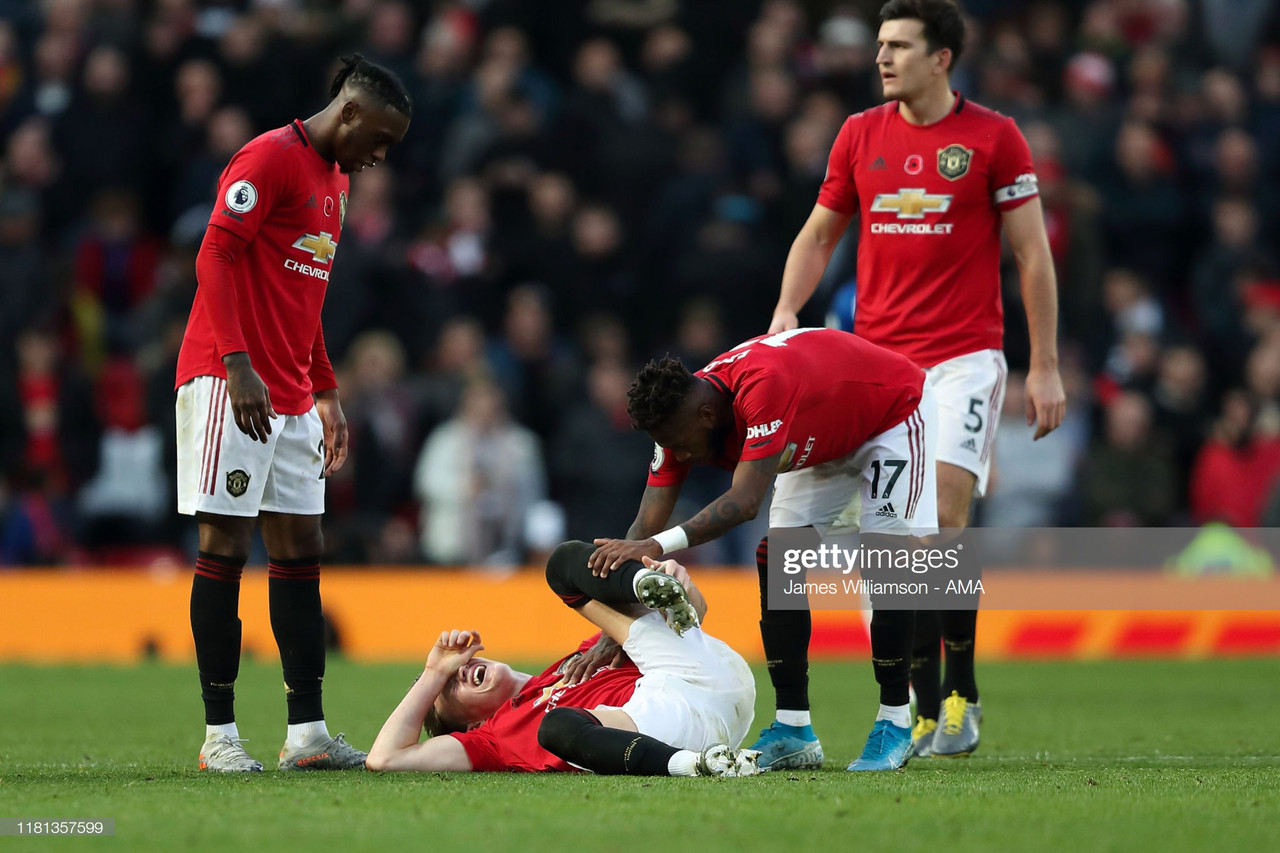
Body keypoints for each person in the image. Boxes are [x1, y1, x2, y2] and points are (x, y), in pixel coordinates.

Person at [766, 0, 1066, 760]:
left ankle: (959, 688)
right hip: (879, 366)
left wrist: (1048, 364)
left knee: (942, 523)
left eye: (898, 45)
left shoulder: (994, 139)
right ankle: (922, 705)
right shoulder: (859, 134)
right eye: (879, 45)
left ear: (942, 58)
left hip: (965, 357)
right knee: (892, 543)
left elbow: (1032, 255)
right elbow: (819, 231)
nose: (881, 57)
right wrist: (787, 309)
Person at [174, 55, 412, 772]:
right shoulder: (270, 157)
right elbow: (214, 257)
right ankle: (220, 736)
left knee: (301, 550)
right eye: (380, 139)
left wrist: (326, 387)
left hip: (292, 393)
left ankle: (306, 733)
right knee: (223, 547)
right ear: (349, 112)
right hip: (228, 381)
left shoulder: (335, 186)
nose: (379, 157)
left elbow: (302, 298)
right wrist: (238, 364)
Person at [589, 327, 939, 771]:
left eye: (680, 443)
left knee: (884, 560)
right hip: (823, 436)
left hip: (891, 414)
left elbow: (744, 503)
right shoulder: (678, 413)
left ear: (706, 416)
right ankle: (795, 730)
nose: (678, 454)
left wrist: (655, 544)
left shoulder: (761, 388)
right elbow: (644, 526)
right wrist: (612, 627)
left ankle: (896, 721)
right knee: (777, 560)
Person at [365, 541, 761, 777]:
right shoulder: (492, 739)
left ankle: (650, 585)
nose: (461, 671)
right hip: (670, 729)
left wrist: (675, 589)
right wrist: (435, 671)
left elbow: (697, 618)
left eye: (457, 670)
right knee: (557, 728)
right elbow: (385, 759)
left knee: (563, 564)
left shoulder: (579, 658)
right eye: (451, 686)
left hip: (709, 670)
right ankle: (698, 766)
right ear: (471, 723)